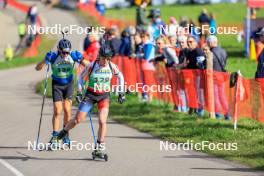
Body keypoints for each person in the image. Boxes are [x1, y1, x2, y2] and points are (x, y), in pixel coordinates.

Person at [56, 42, 125, 157]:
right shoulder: (92, 65)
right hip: (90, 95)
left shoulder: (112, 66)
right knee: (78, 119)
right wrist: (79, 92)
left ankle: (99, 148)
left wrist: (121, 92)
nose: (105, 61)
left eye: (108, 59)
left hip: (104, 96)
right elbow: (81, 78)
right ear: (99, 57)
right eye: (103, 59)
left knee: (102, 121)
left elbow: (120, 76)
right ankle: (63, 132)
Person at [35, 38, 87, 146]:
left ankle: (65, 134)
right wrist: (45, 61)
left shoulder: (72, 56)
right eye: (63, 52)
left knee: (67, 110)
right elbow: (37, 68)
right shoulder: (54, 57)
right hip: (57, 85)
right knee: (57, 111)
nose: (65, 54)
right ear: (59, 50)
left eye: (67, 52)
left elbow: (89, 65)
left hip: (69, 84)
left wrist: (82, 59)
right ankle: (54, 135)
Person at [206, 35, 230, 120]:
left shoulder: (210, 53)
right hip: (222, 75)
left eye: (207, 43)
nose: (207, 44)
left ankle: (218, 114)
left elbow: (208, 65)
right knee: (222, 95)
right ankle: (227, 114)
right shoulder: (224, 51)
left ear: (211, 42)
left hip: (214, 76)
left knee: (215, 95)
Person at [186, 35, 206, 116]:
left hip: (198, 76)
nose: (189, 44)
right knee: (192, 93)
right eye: (188, 42)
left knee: (199, 93)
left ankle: (200, 111)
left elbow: (202, 65)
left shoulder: (198, 51)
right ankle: (193, 109)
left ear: (196, 42)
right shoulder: (189, 52)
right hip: (190, 76)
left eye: (191, 42)